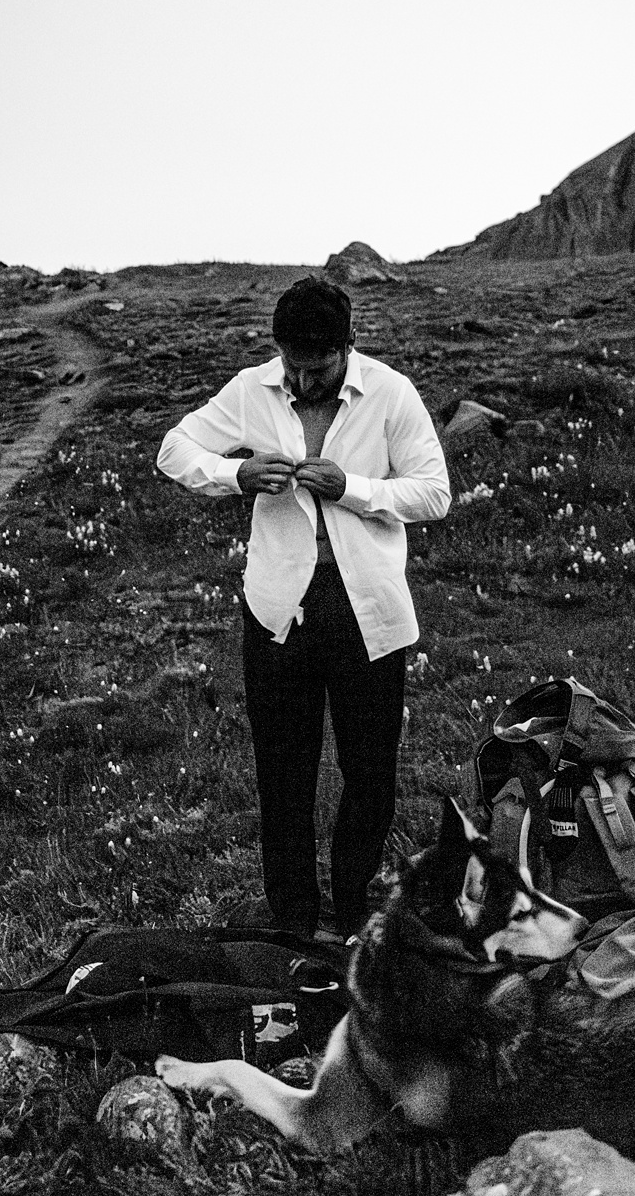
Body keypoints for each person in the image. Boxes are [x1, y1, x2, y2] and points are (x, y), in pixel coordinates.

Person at [157, 276, 450, 941]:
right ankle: (292, 926)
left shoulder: (390, 393)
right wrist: (237, 475)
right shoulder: (252, 389)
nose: (303, 379)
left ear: (346, 351)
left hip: (365, 612)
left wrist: (356, 489)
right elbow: (175, 448)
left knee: (369, 773)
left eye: (316, 368)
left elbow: (434, 494)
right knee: (282, 775)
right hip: (276, 611)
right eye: (292, 364)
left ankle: (352, 916)